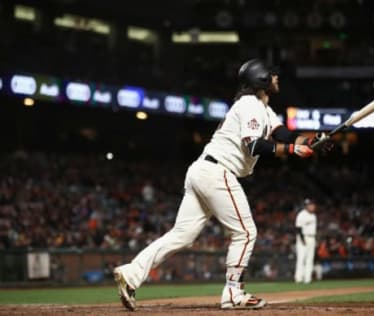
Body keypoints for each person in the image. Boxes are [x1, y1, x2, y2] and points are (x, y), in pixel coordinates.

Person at [113, 59, 333, 311]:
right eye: (272, 75)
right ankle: (233, 292)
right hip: (218, 172)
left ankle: (130, 274)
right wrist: (293, 149)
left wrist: (314, 139)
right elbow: (253, 145)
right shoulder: (250, 104)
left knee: (181, 235)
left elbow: (283, 134)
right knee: (246, 232)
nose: (276, 78)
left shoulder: (261, 108)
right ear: (261, 79)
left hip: (202, 170)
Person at [294, 198, 317, 284]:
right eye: (310, 205)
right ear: (306, 206)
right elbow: (298, 228)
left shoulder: (313, 216)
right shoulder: (301, 215)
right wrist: (302, 239)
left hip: (312, 237)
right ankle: (299, 278)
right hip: (303, 237)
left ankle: (308, 279)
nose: (312, 206)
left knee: (310, 259)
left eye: (312, 204)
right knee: (301, 259)